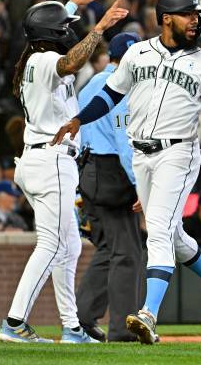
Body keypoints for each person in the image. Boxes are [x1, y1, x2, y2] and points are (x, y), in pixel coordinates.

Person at [52, 0, 201, 345]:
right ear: (167, 18)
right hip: (142, 154)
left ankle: (149, 314)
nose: (197, 20)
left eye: (198, 15)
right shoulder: (137, 53)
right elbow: (110, 95)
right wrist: (79, 119)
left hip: (178, 154)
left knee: (158, 232)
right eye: (189, 14)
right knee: (172, 233)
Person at [0, 0, 128, 344]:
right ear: (53, 34)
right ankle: (14, 322)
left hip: (43, 159)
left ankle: (72, 327)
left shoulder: (34, 56)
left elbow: (51, 32)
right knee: (53, 245)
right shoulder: (41, 60)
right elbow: (71, 61)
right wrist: (99, 28)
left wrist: (72, 4)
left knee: (68, 246)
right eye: (65, 28)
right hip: (52, 160)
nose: (69, 33)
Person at [75, 32, 144, 343]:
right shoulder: (122, 86)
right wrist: (141, 186)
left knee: (109, 248)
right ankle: (122, 330)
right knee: (127, 253)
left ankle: (83, 318)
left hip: (88, 170)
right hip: (110, 171)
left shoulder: (91, 84)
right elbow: (125, 141)